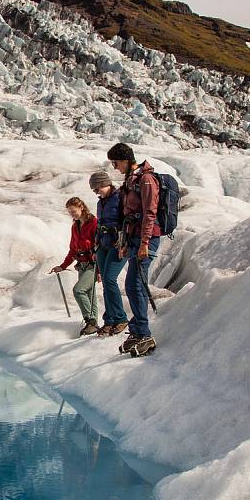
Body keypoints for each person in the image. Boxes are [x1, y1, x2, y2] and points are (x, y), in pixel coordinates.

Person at [107, 143, 160, 355]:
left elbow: (150, 213)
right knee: (132, 285)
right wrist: (124, 243)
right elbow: (127, 216)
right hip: (135, 239)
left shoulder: (146, 180)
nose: (114, 167)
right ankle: (138, 331)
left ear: (127, 160)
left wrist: (145, 242)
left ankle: (145, 333)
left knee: (136, 285)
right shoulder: (131, 181)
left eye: (116, 162)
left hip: (146, 239)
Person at [50, 197, 99, 337]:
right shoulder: (75, 226)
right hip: (82, 265)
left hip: (93, 265)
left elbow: (100, 246)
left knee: (79, 290)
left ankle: (90, 321)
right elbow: (73, 250)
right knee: (90, 295)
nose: (72, 214)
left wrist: (100, 270)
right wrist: (62, 266)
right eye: (70, 212)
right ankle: (93, 325)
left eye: (74, 211)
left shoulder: (94, 223)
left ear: (81, 207)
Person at [88, 170, 128, 338]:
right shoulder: (101, 202)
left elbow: (127, 221)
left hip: (118, 244)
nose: (97, 193)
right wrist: (96, 244)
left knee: (110, 279)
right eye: (95, 191)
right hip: (103, 244)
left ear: (106, 183)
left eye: (98, 189)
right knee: (105, 281)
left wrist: (123, 243)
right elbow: (100, 224)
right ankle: (110, 319)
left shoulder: (120, 198)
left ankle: (121, 318)